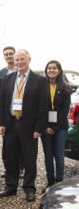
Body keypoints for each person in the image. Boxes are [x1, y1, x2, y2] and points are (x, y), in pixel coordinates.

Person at [0, 49, 46, 202]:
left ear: (29, 59)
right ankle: (11, 186)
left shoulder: (39, 80)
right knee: (10, 157)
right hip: (11, 124)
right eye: (17, 60)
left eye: (22, 59)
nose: (19, 62)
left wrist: (39, 128)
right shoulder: (8, 79)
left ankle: (29, 188)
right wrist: (0, 123)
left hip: (29, 127)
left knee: (29, 158)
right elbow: (1, 103)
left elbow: (43, 107)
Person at [41, 60, 70, 190]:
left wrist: (55, 128)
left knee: (59, 155)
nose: (51, 70)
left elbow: (65, 110)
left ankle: (59, 182)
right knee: (48, 155)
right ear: (46, 70)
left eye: (54, 68)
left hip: (61, 127)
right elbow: (40, 108)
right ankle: (50, 181)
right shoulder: (42, 86)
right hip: (45, 126)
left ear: (59, 71)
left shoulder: (65, 87)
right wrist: (46, 126)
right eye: (49, 68)